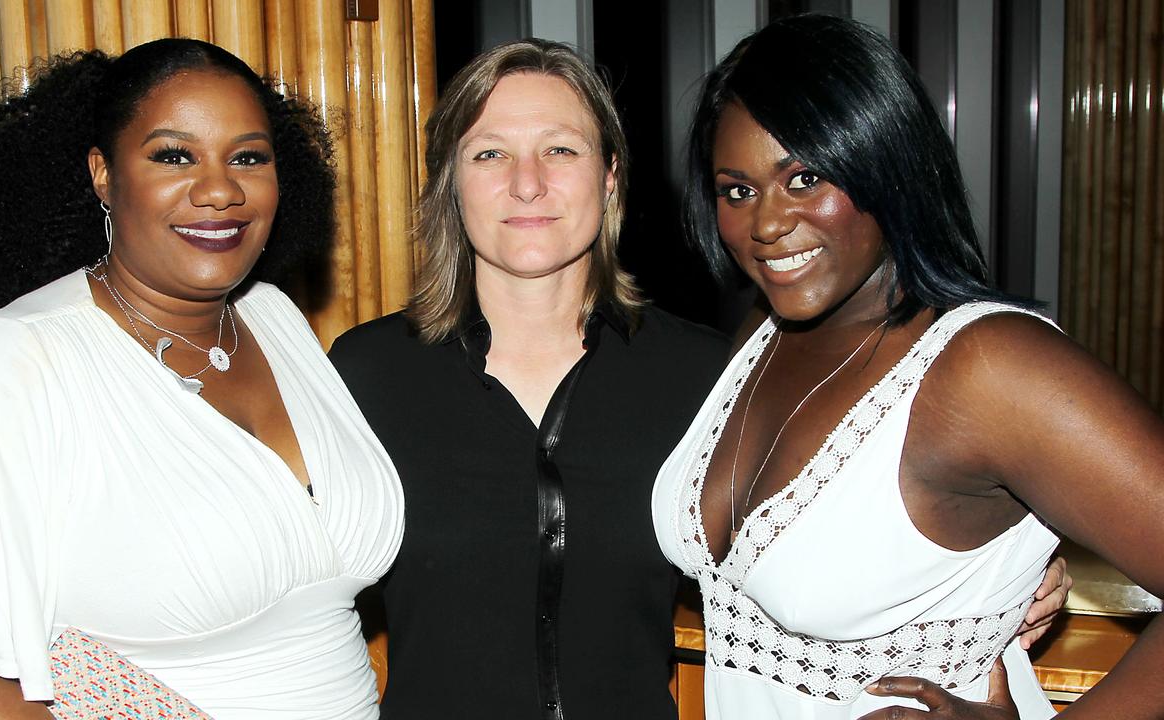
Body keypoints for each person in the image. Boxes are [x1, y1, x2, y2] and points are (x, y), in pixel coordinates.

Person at [329, 38, 1068, 720]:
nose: (528, 184)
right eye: (489, 155)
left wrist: (1005, 575)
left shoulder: (710, 374)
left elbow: (834, 529)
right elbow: (278, 554)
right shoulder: (363, 374)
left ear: (611, 175)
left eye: (560, 149)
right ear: (450, 182)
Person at [653, 13, 1164, 720]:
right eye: (737, 189)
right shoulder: (765, 331)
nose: (765, 224)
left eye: (805, 177)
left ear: (887, 167)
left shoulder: (989, 367)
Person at [0, 39, 402, 719]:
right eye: (173, 155)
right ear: (103, 174)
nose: (220, 189)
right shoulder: (10, 362)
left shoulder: (275, 319)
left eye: (248, 156)